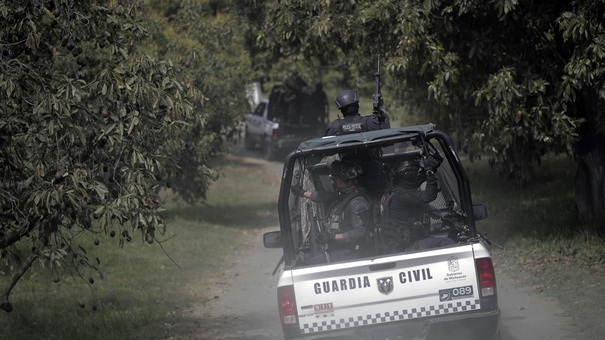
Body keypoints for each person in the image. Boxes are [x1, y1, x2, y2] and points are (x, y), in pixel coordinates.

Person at [290, 159, 373, 263]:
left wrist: (333, 237)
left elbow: (360, 231)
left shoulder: (357, 203)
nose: (334, 181)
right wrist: (302, 193)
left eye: (336, 178)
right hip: (343, 250)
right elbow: (324, 196)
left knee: (313, 263)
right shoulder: (344, 196)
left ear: (342, 180)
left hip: (353, 252)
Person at [379, 152, 444, 252]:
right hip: (408, 247)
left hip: (401, 246)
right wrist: (430, 171)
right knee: (445, 242)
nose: (417, 175)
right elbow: (429, 196)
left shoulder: (396, 189)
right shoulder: (402, 195)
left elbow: (415, 181)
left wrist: (433, 167)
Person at [324, 89, 390, 136]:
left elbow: (325, 147)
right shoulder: (369, 123)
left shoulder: (333, 128)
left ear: (341, 110)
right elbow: (386, 133)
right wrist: (380, 114)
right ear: (357, 105)